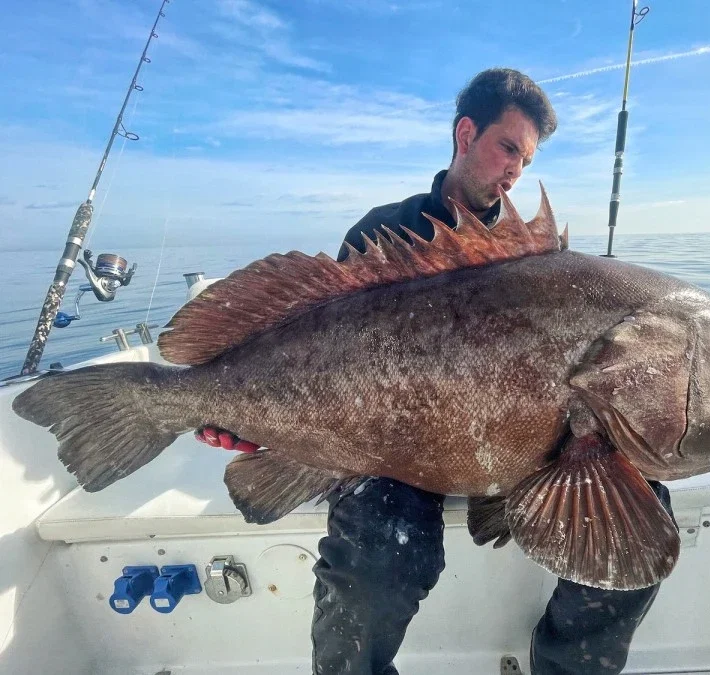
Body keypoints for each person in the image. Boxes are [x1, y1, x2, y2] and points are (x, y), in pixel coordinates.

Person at [197, 68, 676, 675]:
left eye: (526, 160)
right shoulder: (381, 234)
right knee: (375, 564)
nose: (514, 171)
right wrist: (247, 417)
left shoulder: (541, 266)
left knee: (641, 521)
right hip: (392, 450)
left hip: (525, 451)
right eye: (507, 147)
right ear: (466, 133)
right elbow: (321, 358)